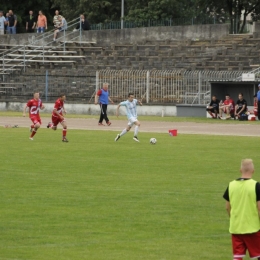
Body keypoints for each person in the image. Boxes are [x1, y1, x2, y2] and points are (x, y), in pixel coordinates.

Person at [223, 159, 260, 260]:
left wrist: (233, 218)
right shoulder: (256, 186)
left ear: (240, 170)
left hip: (236, 228)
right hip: (253, 227)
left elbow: (227, 207)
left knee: (237, 256)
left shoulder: (231, 185)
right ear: (253, 170)